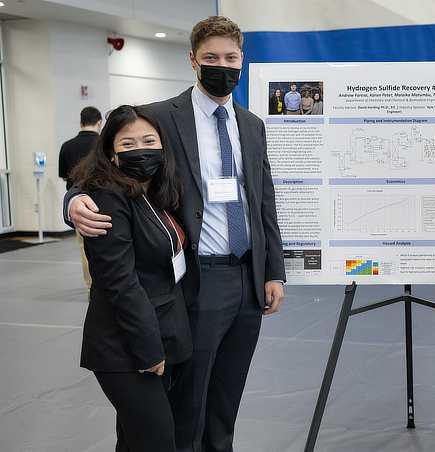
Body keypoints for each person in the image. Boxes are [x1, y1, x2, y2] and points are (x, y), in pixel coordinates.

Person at [66, 16, 286, 452]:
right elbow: (103, 163)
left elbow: (263, 199)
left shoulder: (252, 125)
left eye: (231, 58)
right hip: (198, 279)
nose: (222, 66)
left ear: (242, 60)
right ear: (193, 59)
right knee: (189, 400)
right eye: (211, 58)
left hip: (248, 278)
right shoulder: (162, 117)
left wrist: (273, 270)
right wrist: (73, 199)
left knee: (227, 397)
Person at [72, 105, 191, 451]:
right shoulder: (108, 196)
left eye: (149, 141)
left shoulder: (156, 193)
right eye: (128, 144)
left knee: (133, 441)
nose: (141, 150)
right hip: (124, 346)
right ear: (111, 153)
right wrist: (148, 350)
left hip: (157, 333)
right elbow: (120, 283)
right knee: (157, 440)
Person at [59, 106, 102, 295]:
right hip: (104, 201)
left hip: (79, 206)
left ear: (80, 122)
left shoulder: (67, 146)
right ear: (99, 123)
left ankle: (91, 287)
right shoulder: (103, 143)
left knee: (85, 248)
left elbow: (64, 177)